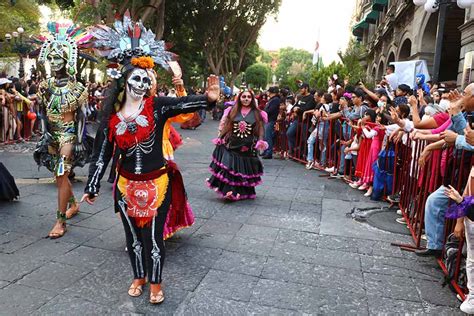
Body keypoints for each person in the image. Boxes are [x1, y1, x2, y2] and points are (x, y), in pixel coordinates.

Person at [82, 13, 219, 304]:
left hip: (159, 184)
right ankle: (138, 276)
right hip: (124, 187)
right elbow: (102, 153)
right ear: (124, 82)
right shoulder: (112, 118)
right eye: (137, 78)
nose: (143, 83)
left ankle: (156, 283)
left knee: (154, 240)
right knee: (133, 239)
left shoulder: (157, 107)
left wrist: (209, 99)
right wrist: (92, 184)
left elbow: (184, 105)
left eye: (147, 78)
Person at [33, 22, 92, 238]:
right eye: (52, 58)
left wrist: (78, 139)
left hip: (68, 134)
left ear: (68, 60)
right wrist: (43, 130)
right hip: (51, 134)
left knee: (61, 174)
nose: (54, 61)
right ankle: (73, 204)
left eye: (58, 58)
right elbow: (40, 111)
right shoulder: (46, 85)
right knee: (60, 176)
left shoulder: (77, 88)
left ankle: (60, 221)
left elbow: (83, 116)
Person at [207, 89, 268, 200]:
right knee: (230, 169)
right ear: (239, 98)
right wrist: (220, 138)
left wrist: (260, 140)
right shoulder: (232, 110)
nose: (246, 99)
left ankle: (243, 193)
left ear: (252, 99)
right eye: (243, 96)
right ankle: (230, 192)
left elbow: (260, 129)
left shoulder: (258, 113)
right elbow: (227, 126)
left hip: (248, 148)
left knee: (244, 172)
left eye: (248, 97)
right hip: (232, 145)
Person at [262, 86, 280, 159]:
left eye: (269, 91)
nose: (267, 93)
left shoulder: (275, 100)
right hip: (268, 120)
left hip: (271, 120)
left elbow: (271, 110)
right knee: (266, 137)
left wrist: (264, 112)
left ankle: (268, 152)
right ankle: (266, 150)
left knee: (268, 136)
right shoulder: (272, 99)